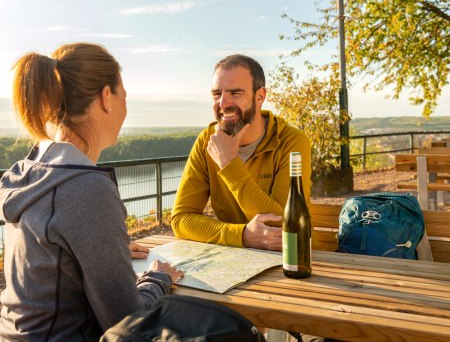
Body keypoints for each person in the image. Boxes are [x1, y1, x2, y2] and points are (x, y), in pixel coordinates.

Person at [0, 43, 183, 341]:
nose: (125, 106)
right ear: (106, 98)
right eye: (124, 96)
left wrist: (103, 256)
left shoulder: (28, 172)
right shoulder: (86, 187)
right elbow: (126, 321)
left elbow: (47, 268)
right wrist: (158, 278)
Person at [171, 54, 311, 251]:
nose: (222, 103)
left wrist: (228, 163)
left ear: (260, 96)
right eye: (217, 93)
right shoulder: (206, 141)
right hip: (233, 260)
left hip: (290, 257)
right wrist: (243, 235)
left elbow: (280, 224)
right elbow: (180, 219)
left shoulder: (292, 142)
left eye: (235, 93)